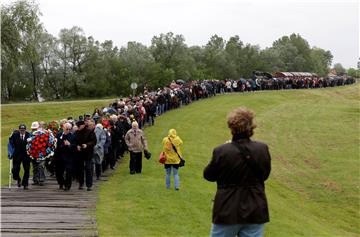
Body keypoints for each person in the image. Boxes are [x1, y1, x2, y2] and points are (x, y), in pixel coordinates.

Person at [203, 107, 271, 237]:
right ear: (251, 126)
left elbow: (208, 175)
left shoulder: (222, 151)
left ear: (231, 127)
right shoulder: (262, 149)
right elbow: (265, 175)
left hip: (227, 208)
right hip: (255, 207)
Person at [74, 120, 97, 191]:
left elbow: (94, 141)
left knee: (88, 168)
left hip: (88, 153)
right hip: (79, 153)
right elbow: (74, 141)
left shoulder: (90, 132)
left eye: (79, 126)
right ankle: (81, 183)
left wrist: (87, 145)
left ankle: (89, 185)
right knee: (80, 169)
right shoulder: (76, 132)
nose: (78, 127)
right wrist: (76, 146)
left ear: (83, 125)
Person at [9, 124, 31, 189]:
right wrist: (10, 152)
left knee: (27, 169)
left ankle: (25, 184)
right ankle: (18, 179)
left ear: (25, 130)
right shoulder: (15, 135)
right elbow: (10, 143)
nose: (22, 131)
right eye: (21, 130)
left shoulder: (29, 135)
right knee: (15, 170)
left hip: (26, 155)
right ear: (19, 130)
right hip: (16, 155)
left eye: (23, 130)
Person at [55, 122, 76, 191]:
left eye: (70, 129)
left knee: (69, 171)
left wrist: (69, 145)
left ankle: (67, 185)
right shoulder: (58, 135)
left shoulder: (73, 136)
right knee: (59, 172)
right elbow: (56, 145)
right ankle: (61, 183)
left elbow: (74, 146)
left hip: (69, 157)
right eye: (67, 129)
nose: (68, 131)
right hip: (59, 156)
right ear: (63, 128)